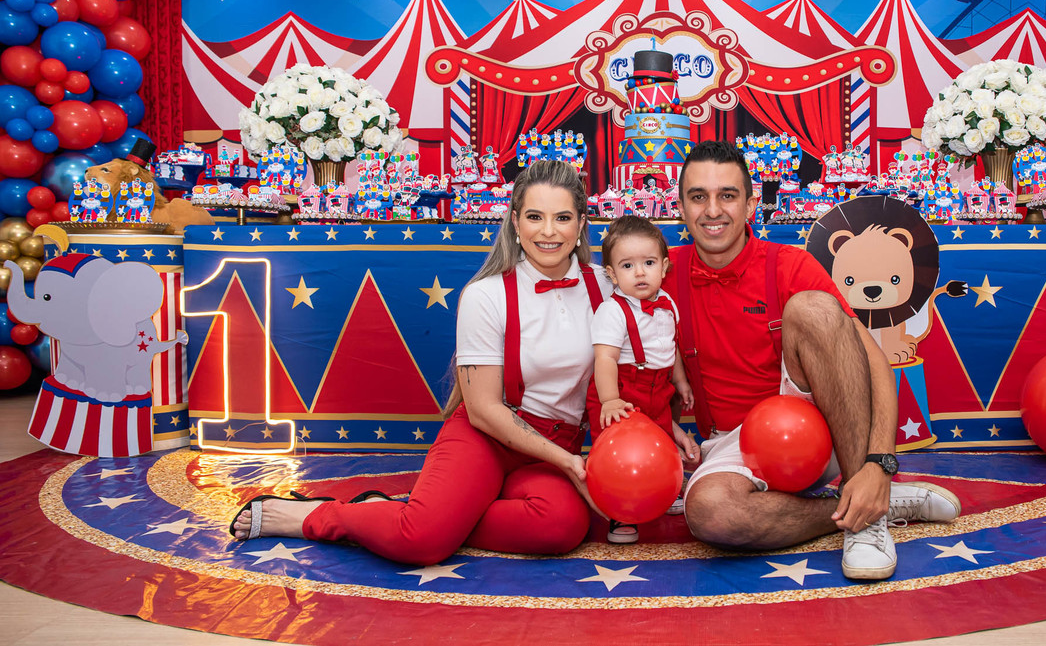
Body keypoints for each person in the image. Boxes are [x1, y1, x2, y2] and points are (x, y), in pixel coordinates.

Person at [230, 159, 611, 564]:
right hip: (488, 436)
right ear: (515, 222)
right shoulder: (487, 294)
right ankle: (321, 516)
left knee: (563, 526)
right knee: (422, 541)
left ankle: (419, 513)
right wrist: (568, 463)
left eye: (562, 218)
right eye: (535, 217)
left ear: (581, 224)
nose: (548, 231)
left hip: (555, 444)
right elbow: (483, 410)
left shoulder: (607, 286)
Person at [664, 140, 960, 581]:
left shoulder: (789, 264)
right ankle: (862, 507)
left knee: (814, 307)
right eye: (697, 196)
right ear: (681, 208)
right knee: (709, 513)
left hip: (822, 432)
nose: (713, 210)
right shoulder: (661, 271)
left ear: (750, 205)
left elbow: (875, 364)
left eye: (727, 195)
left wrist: (879, 465)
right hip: (733, 445)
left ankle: (866, 516)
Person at [587, 215, 695, 544]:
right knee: (622, 450)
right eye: (627, 265)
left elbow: (670, 347)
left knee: (661, 439)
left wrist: (680, 382)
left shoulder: (667, 304)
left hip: (658, 387)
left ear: (664, 267)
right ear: (612, 274)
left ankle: (664, 489)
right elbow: (605, 358)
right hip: (621, 386)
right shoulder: (612, 311)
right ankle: (621, 511)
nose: (639, 273)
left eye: (648, 263)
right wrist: (610, 400)